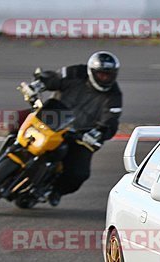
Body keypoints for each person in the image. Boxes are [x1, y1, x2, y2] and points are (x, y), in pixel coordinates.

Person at [29, 51, 122, 206]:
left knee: (79, 173)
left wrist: (99, 133)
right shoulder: (76, 72)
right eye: (101, 74)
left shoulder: (114, 95)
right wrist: (40, 84)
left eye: (109, 75)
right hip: (53, 119)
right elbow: (55, 78)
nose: (105, 78)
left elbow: (111, 119)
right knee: (19, 119)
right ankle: (4, 154)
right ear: (92, 71)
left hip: (80, 135)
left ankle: (56, 190)